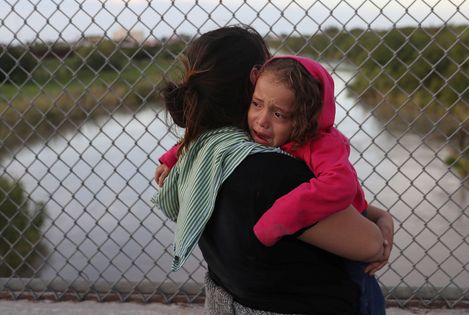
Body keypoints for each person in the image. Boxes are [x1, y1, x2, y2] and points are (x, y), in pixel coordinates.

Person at [152, 25, 394, 314]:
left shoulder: (199, 152)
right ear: (253, 82)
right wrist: (384, 222)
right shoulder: (273, 174)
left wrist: (378, 214)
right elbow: (370, 245)